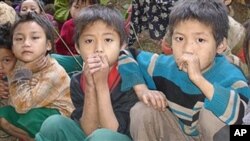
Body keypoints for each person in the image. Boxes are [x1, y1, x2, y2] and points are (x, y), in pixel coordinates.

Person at [118, 0, 250, 140]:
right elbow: (126, 55)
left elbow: (242, 118)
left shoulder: (232, 76)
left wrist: (198, 79)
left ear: (220, 45)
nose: (187, 48)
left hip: (214, 135)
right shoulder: (164, 66)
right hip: (177, 133)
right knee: (142, 111)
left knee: (209, 114)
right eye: (180, 38)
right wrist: (142, 90)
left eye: (200, 40)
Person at [35, 5, 138, 141]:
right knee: (54, 124)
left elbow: (113, 130)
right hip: (92, 136)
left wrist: (101, 86)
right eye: (89, 41)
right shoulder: (78, 81)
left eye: (108, 40)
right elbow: (88, 130)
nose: (98, 49)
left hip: (117, 137)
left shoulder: (131, 78)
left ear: (122, 45)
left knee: (102, 137)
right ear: (78, 47)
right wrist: (90, 87)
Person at [0, 12, 74, 140]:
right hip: (31, 109)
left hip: (58, 118)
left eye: (34, 38)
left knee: (31, 116)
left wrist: (24, 72)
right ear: (12, 46)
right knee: (3, 115)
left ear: (48, 45)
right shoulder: (18, 63)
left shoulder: (54, 72)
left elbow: (22, 106)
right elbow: (15, 100)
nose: (26, 43)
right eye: (19, 39)